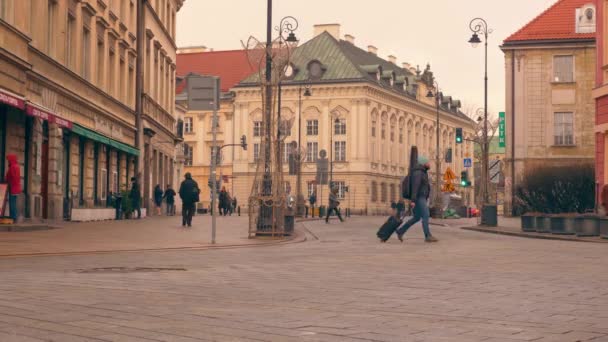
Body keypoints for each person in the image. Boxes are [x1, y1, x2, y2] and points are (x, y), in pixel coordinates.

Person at [396, 156, 438, 243]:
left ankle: (400, 231)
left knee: (416, 217)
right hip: (419, 197)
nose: (429, 164)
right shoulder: (418, 173)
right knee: (426, 215)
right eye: (428, 162)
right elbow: (415, 187)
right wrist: (414, 200)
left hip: (420, 197)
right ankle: (428, 236)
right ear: (423, 163)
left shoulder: (422, 172)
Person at [5, 154, 21, 223]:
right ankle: (14, 217)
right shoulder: (17, 166)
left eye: (8, 160)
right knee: (13, 202)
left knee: (12, 203)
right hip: (17, 187)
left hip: (13, 188)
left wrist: (7, 180)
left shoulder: (12, 167)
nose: (8, 161)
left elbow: (10, 177)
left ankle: (13, 217)